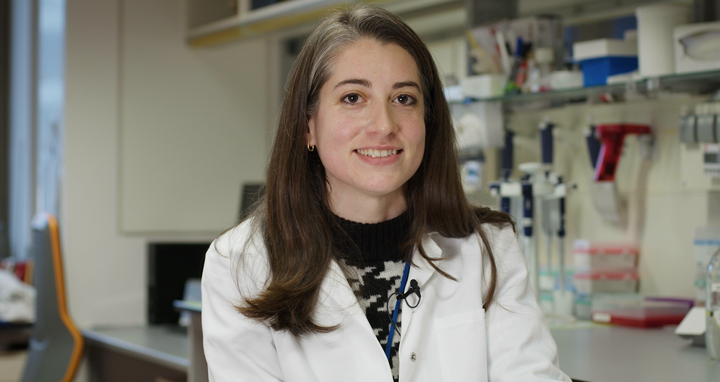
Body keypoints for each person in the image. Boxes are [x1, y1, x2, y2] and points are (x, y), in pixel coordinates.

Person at [201, 5, 571, 382]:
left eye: (404, 99)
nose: (383, 125)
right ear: (307, 127)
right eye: (352, 98)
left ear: (428, 121)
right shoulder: (242, 264)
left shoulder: (488, 247)